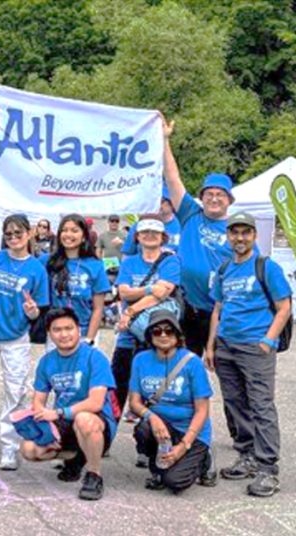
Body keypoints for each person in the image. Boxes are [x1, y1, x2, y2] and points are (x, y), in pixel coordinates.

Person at [206, 212, 291, 497]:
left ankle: (268, 468)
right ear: (228, 236)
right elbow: (218, 309)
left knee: (261, 405)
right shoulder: (224, 269)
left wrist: (268, 340)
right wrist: (211, 345)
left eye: (245, 232)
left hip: (255, 347)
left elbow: (284, 307)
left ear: (254, 235)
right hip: (226, 346)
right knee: (235, 404)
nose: (239, 238)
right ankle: (247, 455)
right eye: (234, 232)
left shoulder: (266, 267)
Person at [0, 214, 50, 470]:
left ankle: (9, 447)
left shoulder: (37, 269)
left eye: (18, 233)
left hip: (16, 337)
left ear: (29, 233)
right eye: (9, 234)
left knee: (15, 392)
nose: (14, 238)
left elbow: (38, 311)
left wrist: (32, 311)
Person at [20, 308, 117, 501]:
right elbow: (38, 401)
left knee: (84, 420)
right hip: (65, 420)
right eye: (57, 330)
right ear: (49, 333)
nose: (64, 334)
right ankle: (75, 456)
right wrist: (44, 425)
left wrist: (58, 413)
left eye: (69, 328)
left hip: (96, 421)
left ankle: (94, 474)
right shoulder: (46, 361)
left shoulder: (95, 357)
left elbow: (96, 403)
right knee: (29, 449)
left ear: (78, 330)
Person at [162, 119, 235, 356]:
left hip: (219, 311)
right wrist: (165, 140)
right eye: (209, 194)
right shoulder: (190, 214)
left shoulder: (237, 230)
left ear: (229, 200)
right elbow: (172, 178)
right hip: (187, 308)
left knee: (224, 365)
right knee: (183, 364)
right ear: (201, 197)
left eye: (220, 195)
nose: (214, 199)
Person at [130, 310, 213, 494]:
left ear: (177, 334)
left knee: (174, 482)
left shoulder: (192, 362)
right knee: (143, 429)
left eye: (169, 330)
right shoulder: (140, 360)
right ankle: (159, 465)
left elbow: (202, 410)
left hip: (190, 430)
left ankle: (203, 460)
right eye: (157, 331)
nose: (163, 335)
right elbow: (134, 403)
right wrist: (152, 417)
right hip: (161, 428)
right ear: (150, 336)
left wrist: (184, 445)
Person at [112, 217, 181, 427]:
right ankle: (107, 432)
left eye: (155, 232)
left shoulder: (170, 261)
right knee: (117, 386)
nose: (150, 235)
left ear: (163, 237)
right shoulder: (129, 262)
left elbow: (164, 293)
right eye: (145, 232)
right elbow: (124, 292)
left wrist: (131, 310)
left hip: (159, 336)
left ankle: (150, 436)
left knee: (154, 389)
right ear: (137, 237)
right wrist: (151, 289)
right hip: (128, 335)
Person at [42, 214, 111, 348]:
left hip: (83, 334)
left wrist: (89, 339)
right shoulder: (47, 261)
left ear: (84, 236)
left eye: (74, 230)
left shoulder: (95, 266)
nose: (68, 234)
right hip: (56, 333)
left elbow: (98, 308)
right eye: (64, 230)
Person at [122, 185, 181, 256]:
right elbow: (127, 254)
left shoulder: (183, 225)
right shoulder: (140, 225)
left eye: (161, 201)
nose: (156, 204)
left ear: (171, 203)